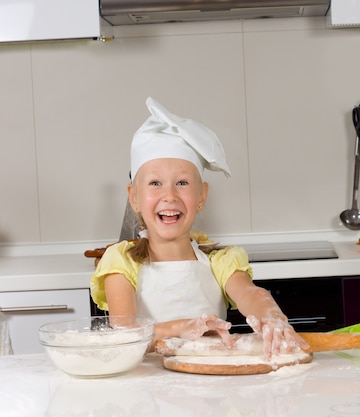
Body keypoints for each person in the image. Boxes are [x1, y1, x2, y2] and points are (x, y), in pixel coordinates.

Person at [90, 97, 309, 357]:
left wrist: (271, 317)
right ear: (134, 197)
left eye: (182, 183)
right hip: (147, 390)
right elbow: (125, 333)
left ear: (202, 196)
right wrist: (181, 327)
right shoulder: (122, 262)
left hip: (210, 386)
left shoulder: (220, 261)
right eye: (155, 183)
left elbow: (250, 293)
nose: (169, 195)